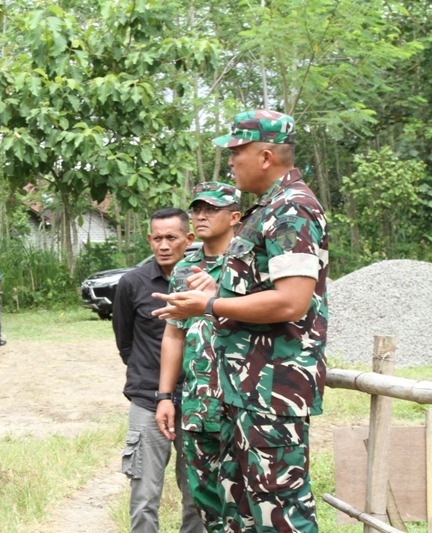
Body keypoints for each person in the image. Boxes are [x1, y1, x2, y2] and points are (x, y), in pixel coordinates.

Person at [154, 110, 328, 532]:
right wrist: (216, 295)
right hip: (241, 391)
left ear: (265, 156)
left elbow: (291, 302)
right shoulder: (264, 211)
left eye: (236, 152)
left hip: (273, 391)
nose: (230, 162)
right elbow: (259, 293)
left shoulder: (293, 210)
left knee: (281, 512)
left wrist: (210, 307)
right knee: (240, 513)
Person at [155, 183, 241, 532]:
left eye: (212, 210)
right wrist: (164, 396)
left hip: (240, 401)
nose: (202, 216)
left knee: (243, 501)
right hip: (197, 405)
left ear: (235, 217)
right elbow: (174, 333)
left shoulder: (248, 263)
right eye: (197, 209)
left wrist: (218, 296)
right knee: (205, 503)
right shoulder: (184, 268)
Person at [112, 207, 203, 533]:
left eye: (171, 237)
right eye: (157, 238)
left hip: (197, 402)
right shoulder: (132, 283)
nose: (164, 245)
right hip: (148, 401)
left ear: (188, 239)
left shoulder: (204, 281)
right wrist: (149, 375)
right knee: (144, 494)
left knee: (197, 494)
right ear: (149, 239)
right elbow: (125, 342)